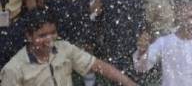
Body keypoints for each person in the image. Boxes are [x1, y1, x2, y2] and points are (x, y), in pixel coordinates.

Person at [1, 10, 136, 86]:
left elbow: (97, 65)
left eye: (53, 33)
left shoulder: (64, 48)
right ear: (29, 37)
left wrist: (130, 84)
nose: (49, 40)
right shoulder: (13, 69)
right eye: (42, 35)